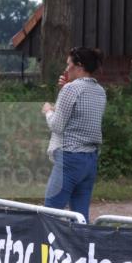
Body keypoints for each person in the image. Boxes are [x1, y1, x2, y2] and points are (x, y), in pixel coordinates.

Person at [41, 47, 106, 221]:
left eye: (68, 64)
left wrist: (48, 110)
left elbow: (57, 125)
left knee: (51, 212)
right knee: (79, 216)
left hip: (69, 157)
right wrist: (64, 90)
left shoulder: (70, 90)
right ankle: (80, 247)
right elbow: (78, 116)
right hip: (90, 159)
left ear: (79, 65)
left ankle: (47, 247)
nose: (66, 68)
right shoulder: (100, 91)